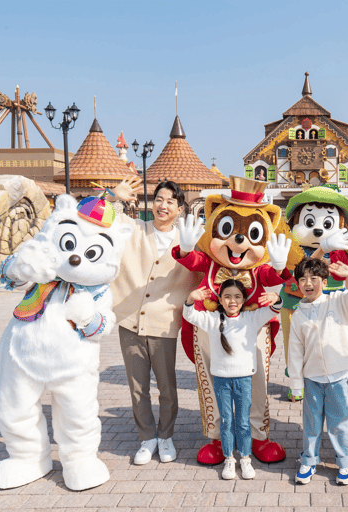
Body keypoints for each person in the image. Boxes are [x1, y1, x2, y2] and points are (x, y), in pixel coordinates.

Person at [109, 177, 201, 465]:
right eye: (159, 199)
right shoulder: (134, 229)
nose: (163, 205)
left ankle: (166, 436)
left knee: (167, 385)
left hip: (164, 322)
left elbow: (203, 269)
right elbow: (102, 222)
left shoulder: (187, 241)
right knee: (137, 386)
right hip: (130, 320)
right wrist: (115, 198)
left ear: (180, 209)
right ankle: (147, 438)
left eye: (170, 202)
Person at [183, 281, 282, 480]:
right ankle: (229, 458)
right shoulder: (212, 319)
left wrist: (276, 298)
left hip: (245, 378)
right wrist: (190, 299)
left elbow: (274, 309)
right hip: (221, 380)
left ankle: (245, 458)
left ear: (243, 300)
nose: (232, 301)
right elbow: (190, 315)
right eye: (227, 296)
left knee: (244, 422)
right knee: (227, 421)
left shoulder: (251, 318)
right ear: (220, 300)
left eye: (237, 296)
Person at [288, 258, 348, 485]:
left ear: (324, 282)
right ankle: (309, 460)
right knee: (312, 422)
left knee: (340, 421)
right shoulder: (298, 315)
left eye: (314, 279)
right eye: (303, 279)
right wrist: (296, 384)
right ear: (297, 284)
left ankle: (345, 463)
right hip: (312, 378)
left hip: (338, 376)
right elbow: (294, 352)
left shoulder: (338, 301)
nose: (308, 284)